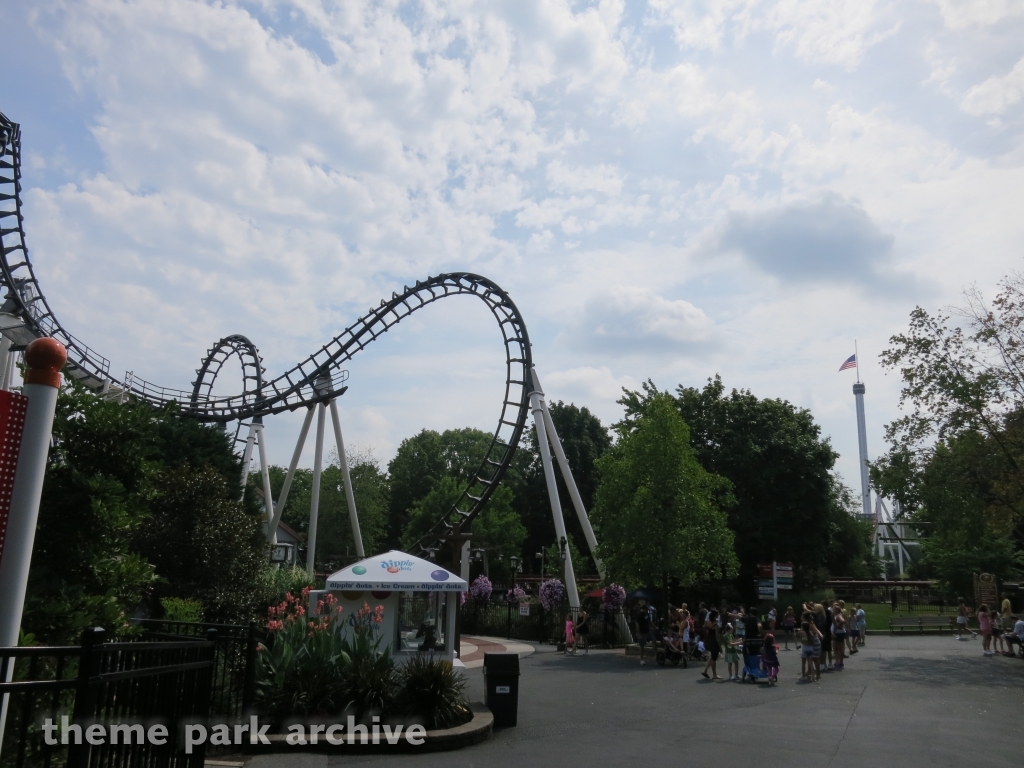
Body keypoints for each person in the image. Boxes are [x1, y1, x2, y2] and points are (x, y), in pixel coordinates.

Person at [702, 610, 723, 680]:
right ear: (715, 615)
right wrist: (720, 646)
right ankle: (714, 674)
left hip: (709, 640)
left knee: (712, 656)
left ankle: (705, 671)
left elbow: (704, 627)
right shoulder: (715, 625)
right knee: (714, 658)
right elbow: (717, 636)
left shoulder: (708, 622)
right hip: (714, 641)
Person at [634, 602, 655, 666]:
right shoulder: (639, 615)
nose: (647, 610)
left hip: (647, 630)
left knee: (654, 640)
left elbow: (649, 621)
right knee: (642, 646)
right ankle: (641, 659)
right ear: (644, 609)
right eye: (647, 609)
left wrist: (654, 626)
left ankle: (656, 654)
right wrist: (638, 634)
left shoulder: (646, 613)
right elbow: (637, 625)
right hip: (642, 632)